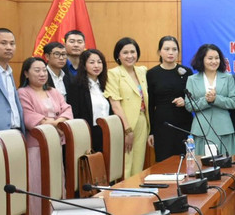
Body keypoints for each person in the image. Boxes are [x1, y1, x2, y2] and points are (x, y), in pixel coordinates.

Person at [17, 57, 73, 215]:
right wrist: (57, 123)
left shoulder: (53, 91)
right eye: (37, 70)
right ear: (26, 73)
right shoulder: (23, 93)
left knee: (56, 183)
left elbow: (67, 110)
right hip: (36, 147)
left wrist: (56, 122)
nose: (42, 74)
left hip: (55, 145)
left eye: (44, 70)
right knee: (37, 185)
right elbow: (30, 118)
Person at [105, 37, 149, 178]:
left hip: (142, 120)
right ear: (118, 55)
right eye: (125, 52)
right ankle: (124, 191)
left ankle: (136, 190)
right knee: (125, 164)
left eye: (132, 52)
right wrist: (127, 130)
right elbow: (115, 105)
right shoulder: (113, 74)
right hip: (125, 123)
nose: (130, 56)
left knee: (138, 164)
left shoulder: (142, 71)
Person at [185, 44, 235, 157]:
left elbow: (233, 102)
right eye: (210, 58)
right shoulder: (192, 80)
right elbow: (189, 105)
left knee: (227, 164)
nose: (214, 61)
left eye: (217, 58)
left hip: (224, 129)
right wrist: (206, 100)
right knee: (201, 165)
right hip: (201, 130)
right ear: (202, 59)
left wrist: (215, 99)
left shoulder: (228, 78)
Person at [146, 36, 194, 162]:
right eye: (166, 49)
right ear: (159, 52)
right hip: (162, 125)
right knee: (164, 163)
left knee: (186, 163)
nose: (171, 52)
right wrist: (151, 132)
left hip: (184, 124)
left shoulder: (187, 72)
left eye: (174, 49)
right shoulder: (152, 74)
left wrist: (185, 101)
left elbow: (194, 98)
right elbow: (150, 104)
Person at [65, 49, 111, 152]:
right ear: (84, 66)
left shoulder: (106, 84)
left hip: (106, 131)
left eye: (99, 62)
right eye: (92, 62)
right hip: (88, 132)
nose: (96, 66)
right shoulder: (76, 86)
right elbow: (75, 114)